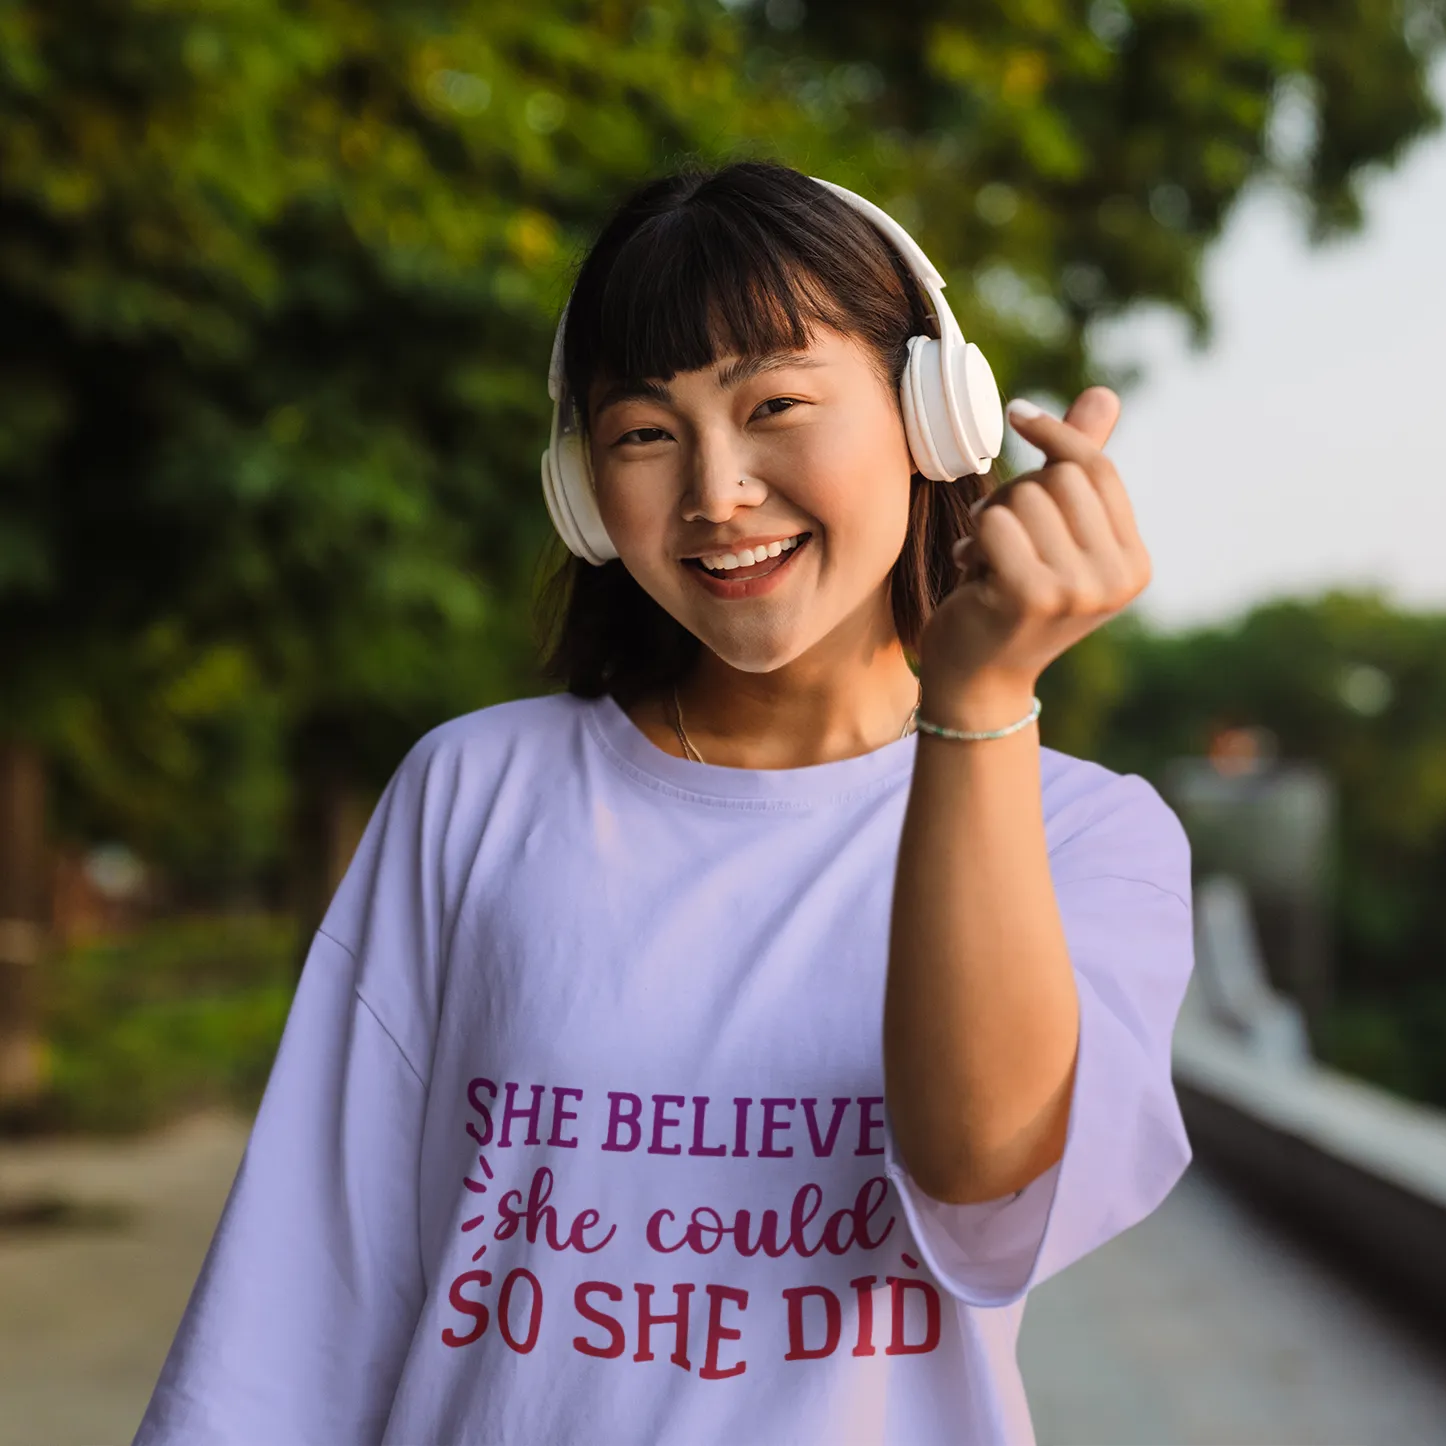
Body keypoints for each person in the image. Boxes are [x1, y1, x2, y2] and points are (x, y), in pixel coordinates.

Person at [133, 160, 1194, 1446]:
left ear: (935, 416)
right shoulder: (473, 792)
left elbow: (981, 1180)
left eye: (777, 404)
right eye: (644, 433)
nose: (717, 492)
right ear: (582, 487)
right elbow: (302, 1294)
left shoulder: (1087, 835)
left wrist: (977, 699)